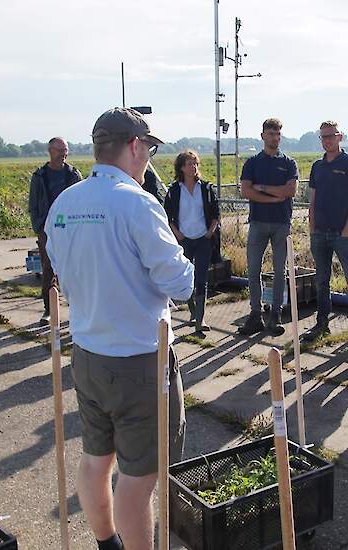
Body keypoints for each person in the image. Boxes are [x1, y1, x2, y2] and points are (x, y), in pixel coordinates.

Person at [45, 107, 193, 550]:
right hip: (138, 357)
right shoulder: (137, 203)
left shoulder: (66, 202)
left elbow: (60, 270)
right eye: (147, 148)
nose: (148, 158)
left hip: (88, 351)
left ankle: (106, 541)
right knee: (138, 479)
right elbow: (180, 284)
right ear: (134, 146)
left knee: (95, 459)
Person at [237, 118, 299, 337]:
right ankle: (255, 314)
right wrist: (274, 196)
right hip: (258, 223)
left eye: (278, 133)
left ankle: (275, 314)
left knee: (280, 271)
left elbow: (290, 191)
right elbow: (246, 191)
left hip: (282, 223)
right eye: (271, 133)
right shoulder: (252, 163)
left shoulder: (289, 163)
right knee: (253, 270)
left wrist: (262, 188)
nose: (275, 137)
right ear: (262, 135)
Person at [302, 121, 348, 342]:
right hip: (320, 232)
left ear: (340, 137)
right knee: (321, 280)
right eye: (323, 137)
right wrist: (312, 227)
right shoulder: (317, 166)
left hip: (342, 234)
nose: (327, 140)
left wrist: (347, 231)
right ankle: (321, 324)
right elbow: (313, 200)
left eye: (330, 136)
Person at [164, 150, 221, 336]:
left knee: (202, 278)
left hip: (203, 238)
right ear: (181, 167)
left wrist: (209, 233)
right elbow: (168, 216)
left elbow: (215, 213)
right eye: (189, 163)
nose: (193, 167)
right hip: (184, 239)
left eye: (195, 163)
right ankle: (193, 312)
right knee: (187, 277)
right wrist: (178, 234)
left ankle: (200, 319)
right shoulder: (174, 190)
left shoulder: (205, 188)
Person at [28, 137, 83, 324]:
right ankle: (49, 309)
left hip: (71, 229)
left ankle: (78, 309)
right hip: (47, 230)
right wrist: (39, 227)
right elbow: (33, 204)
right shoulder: (39, 176)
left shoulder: (73, 175)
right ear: (50, 151)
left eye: (66, 150)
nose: (63, 154)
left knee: (75, 268)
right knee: (48, 269)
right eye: (60, 150)